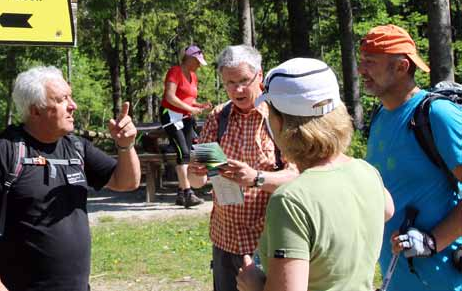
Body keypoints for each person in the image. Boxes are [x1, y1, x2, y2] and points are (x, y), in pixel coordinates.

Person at [0, 66, 140, 291]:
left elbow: (126, 182)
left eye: (70, 97)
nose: (73, 105)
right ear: (35, 111)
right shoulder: (4, 151)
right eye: (62, 100)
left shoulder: (76, 147)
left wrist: (125, 145)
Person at [236, 57, 394, 291]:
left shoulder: (291, 200)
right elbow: (387, 210)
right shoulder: (366, 171)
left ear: (280, 123)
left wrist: (254, 284)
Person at [360, 24, 462, 291]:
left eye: (370, 62)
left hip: (445, 280)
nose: (361, 70)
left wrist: (432, 241)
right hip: (398, 278)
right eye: (361, 62)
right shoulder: (380, 116)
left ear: (401, 67)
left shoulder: (437, 115)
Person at [188, 44, 297, 291]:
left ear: (260, 76)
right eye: (229, 83)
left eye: (244, 81)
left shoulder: (279, 117)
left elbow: (298, 177)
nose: (237, 89)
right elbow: (196, 181)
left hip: (268, 243)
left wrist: (256, 178)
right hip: (224, 241)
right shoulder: (218, 117)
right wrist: (195, 173)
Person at [160, 44, 211, 207]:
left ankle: (181, 194)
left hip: (187, 117)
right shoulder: (175, 71)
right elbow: (169, 96)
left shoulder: (193, 76)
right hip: (171, 115)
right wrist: (190, 108)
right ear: (188, 59)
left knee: (187, 152)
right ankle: (188, 194)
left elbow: (189, 98)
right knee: (183, 152)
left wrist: (199, 105)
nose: (198, 65)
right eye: (197, 61)